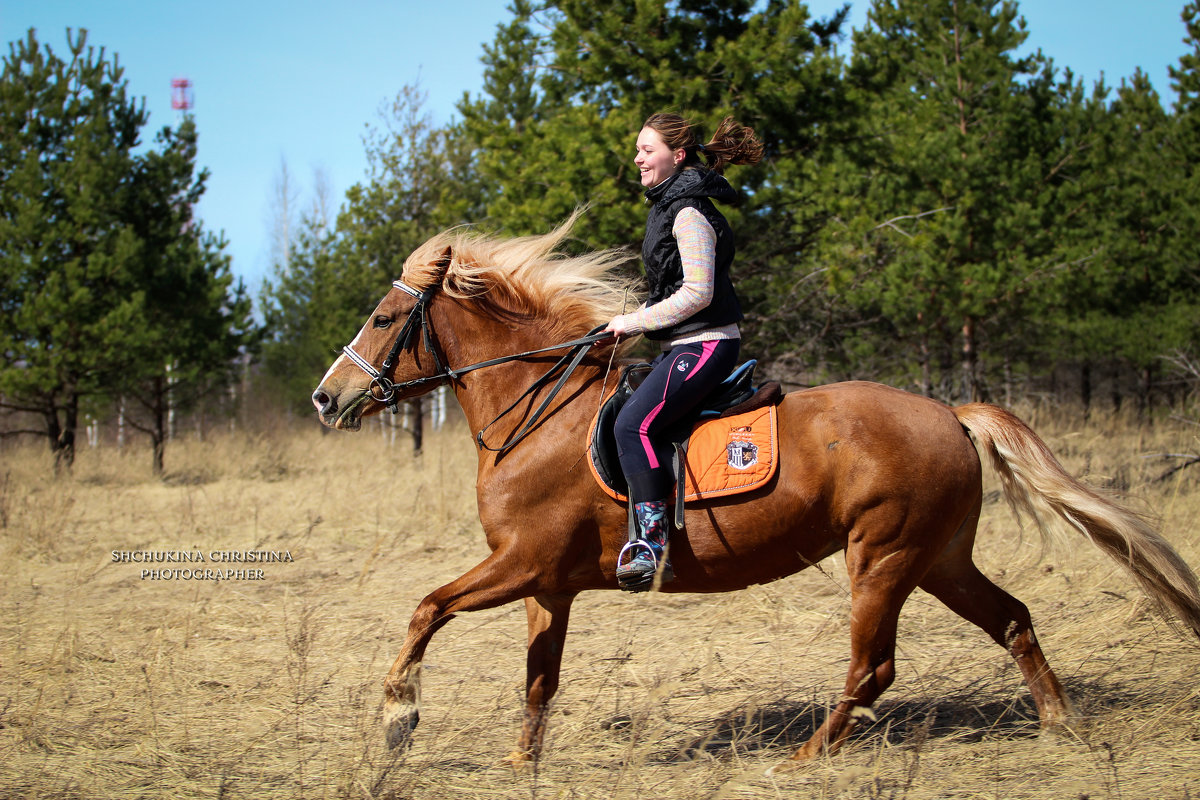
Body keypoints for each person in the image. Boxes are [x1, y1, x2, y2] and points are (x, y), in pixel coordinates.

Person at [606, 113, 764, 592]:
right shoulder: (666, 205)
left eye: (646, 150)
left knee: (632, 424)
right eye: (637, 150)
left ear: (677, 156)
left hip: (707, 344)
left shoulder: (689, 212)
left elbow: (696, 294)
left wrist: (630, 322)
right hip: (685, 344)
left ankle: (652, 546)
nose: (637, 159)